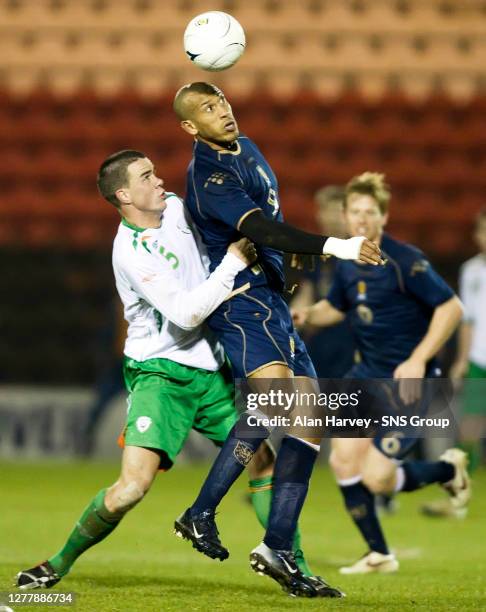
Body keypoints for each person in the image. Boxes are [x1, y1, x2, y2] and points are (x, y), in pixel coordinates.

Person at [15, 149, 280, 589]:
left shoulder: (176, 207)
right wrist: (235, 261)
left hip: (211, 371)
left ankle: (291, 564)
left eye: (155, 172)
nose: (160, 180)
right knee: (131, 489)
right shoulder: (130, 253)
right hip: (161, 376)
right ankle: (56, 564)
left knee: (263, 459)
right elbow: (186, 314)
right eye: (147, 176)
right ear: (124, 194)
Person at [171, 82, 382, 598]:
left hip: (273, 303)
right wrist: (337, 245)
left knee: (309, 421)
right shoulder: (208, 176)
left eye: (221, 101)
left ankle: (277, 546)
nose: (222, 111)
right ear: (189, 127)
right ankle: (199, 513)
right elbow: (261, 227)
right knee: (272, 408)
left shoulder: (249, 149)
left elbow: (276, 224)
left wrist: (288, 269)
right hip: (241, 302)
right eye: (207, 109)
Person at [292, 172, 470, 574]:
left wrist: (418, 358)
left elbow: (451, 308)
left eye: (370, 212)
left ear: (383, 216)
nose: (361, 219)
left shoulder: (406, 260)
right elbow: (335, 308)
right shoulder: (349, 262)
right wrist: (307, 314)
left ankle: (448, 469)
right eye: (355, 212)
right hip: (366, 375)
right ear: (346, 215)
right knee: (342, 462)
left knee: (376, 478)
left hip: (411, 381)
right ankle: (379, 554)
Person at [422, 208, 486, 518]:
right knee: (470, 429)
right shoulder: (471, 270)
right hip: (479, 360)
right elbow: (468, 320)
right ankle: (458, 500)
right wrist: (461, 360)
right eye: (483, 232)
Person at [290, 185, 354, 378]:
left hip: (352, 343)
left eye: (338, 212)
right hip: (320, 343)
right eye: (327, 211)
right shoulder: (316, 254)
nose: (332, 218)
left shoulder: (360, 254)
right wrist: (290, 316)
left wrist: (313, 316)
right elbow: (307, 293)